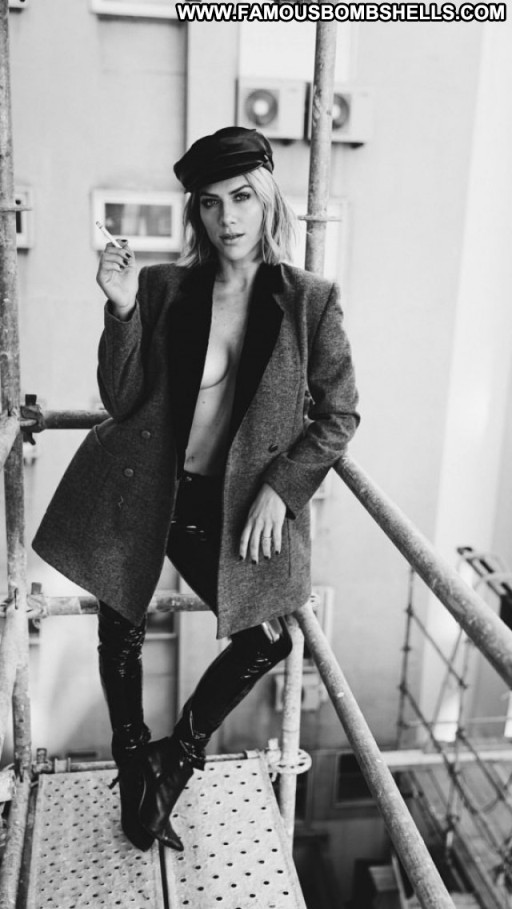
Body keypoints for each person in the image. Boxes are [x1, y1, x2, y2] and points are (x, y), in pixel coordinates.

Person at [32, 126, 360, 853]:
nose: (227, 217)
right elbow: (121, 398)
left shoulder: (310, 302)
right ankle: (133, 761)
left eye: (241, 197)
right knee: (121, 623)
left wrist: (283, 487)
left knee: (269, 634)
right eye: (210, 203)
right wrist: (121, 309)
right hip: (144, 485)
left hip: (229, 504)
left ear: (267, 199)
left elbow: (339, 416)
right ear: (197, 213)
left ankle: (173, 757)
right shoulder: (164, 287)